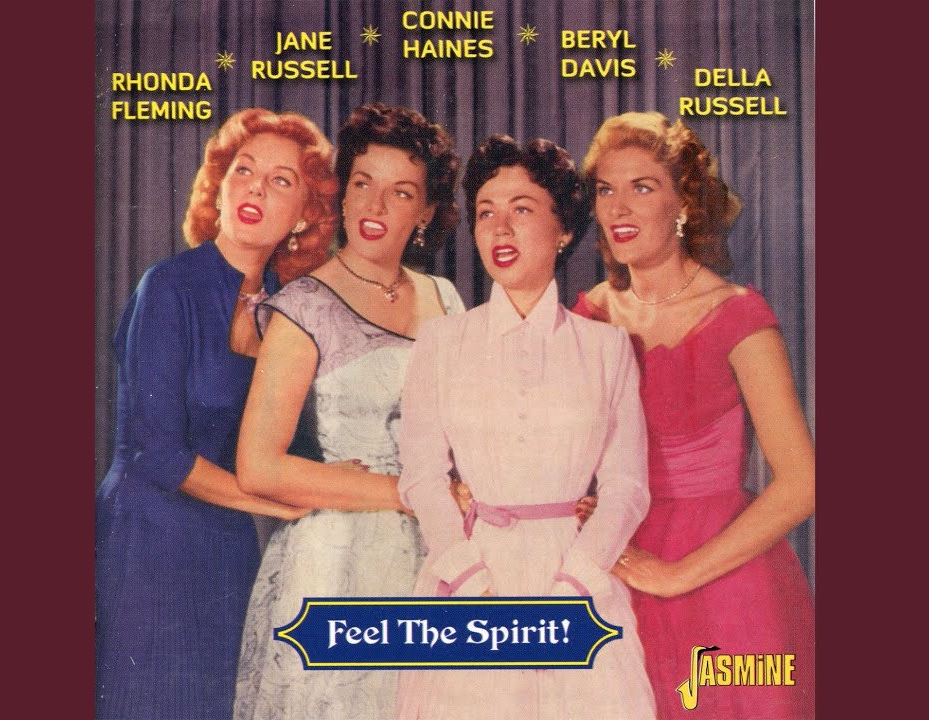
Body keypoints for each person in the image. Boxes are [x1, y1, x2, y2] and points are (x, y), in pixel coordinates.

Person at [396, 135, 657, 719]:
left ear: (563, 228)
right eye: (486, 213)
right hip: (468, 580)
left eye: (522, 209)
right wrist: (469, 580)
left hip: (576, 580)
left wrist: (573, 589)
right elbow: (421, 477)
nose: (500, 229)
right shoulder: (442, 341)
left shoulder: (607, 348)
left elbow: (627, 488)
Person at [95, 108, 339, 720]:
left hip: (226, 547)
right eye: (243, 171)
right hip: (146, 539)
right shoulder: (168, 286)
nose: (255, 188)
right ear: (219, 186)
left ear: (304, 214)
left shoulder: (291, 312)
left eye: (281, 181)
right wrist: (272, 503)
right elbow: (154, 452)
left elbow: (292, 444)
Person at [574, 111, 816, 718]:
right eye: (605, 189)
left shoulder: (737, 315)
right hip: (611, 564)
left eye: (642, 187)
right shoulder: (587, 316)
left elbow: (802, 483)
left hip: (723, 580)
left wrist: (675, 575)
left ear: (684, 203)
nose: (618, 208)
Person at [231, 103, 465, 720]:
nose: (375, 206)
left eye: (401, 192)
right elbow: (257, 466)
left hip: (440, 556)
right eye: (363, 183)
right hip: (338, 561)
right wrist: (406, 492)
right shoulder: (304, 305)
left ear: (426, 212)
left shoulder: (446, 299)